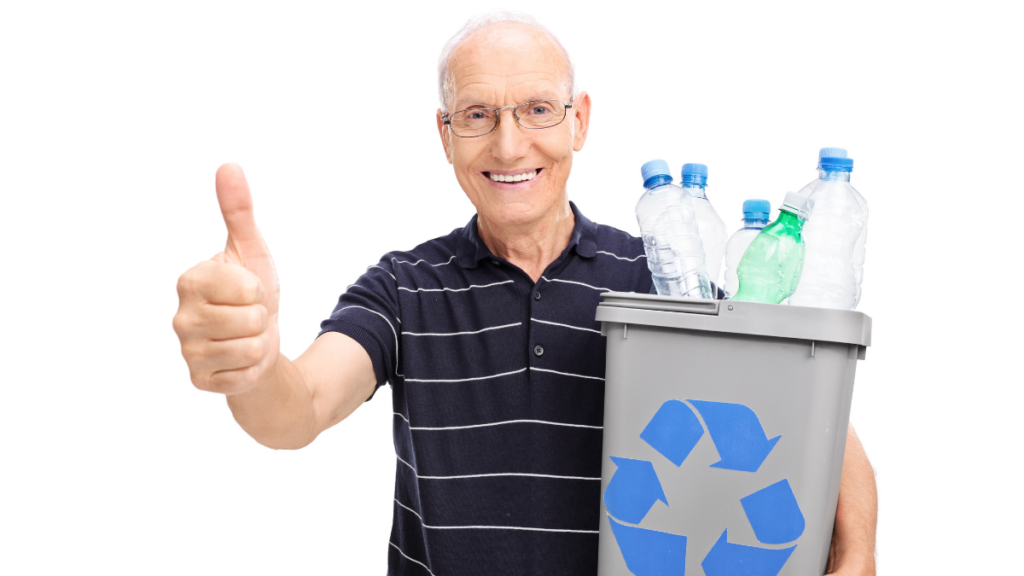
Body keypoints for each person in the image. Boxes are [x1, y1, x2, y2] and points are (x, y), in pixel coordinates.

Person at [172, 13, 877, 576]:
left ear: (580, 121)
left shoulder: (661, 285)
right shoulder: (404, 289)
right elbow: (299, 409)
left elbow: (815, 415)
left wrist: (858, 556)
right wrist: (255, 367)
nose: (509, 147)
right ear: (444, 136)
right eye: (477, 115)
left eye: (538, 109)